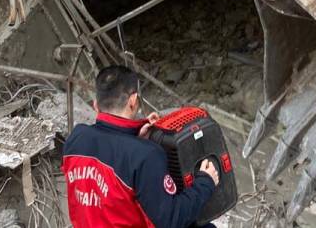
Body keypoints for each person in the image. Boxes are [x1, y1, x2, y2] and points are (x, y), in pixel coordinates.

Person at [63, 66, 219, 228]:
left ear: (96, 105)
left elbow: (109, 157)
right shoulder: (146, 155)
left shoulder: (76, 138)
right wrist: (205, 181)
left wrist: (135, 136)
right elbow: (171, 220)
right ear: (133, 101)